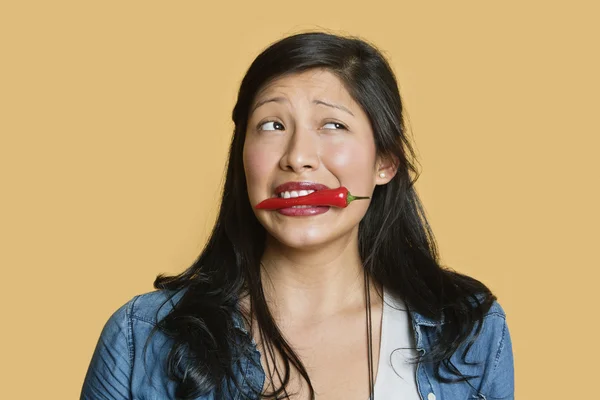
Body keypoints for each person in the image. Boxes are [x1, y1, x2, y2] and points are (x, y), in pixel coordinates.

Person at [80, 31, 514, 400]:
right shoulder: (143, 336)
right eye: (272, 125)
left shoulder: (469, 328)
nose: (299, 157)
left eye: (333, 125)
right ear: (243, 158)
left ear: (385, 161)